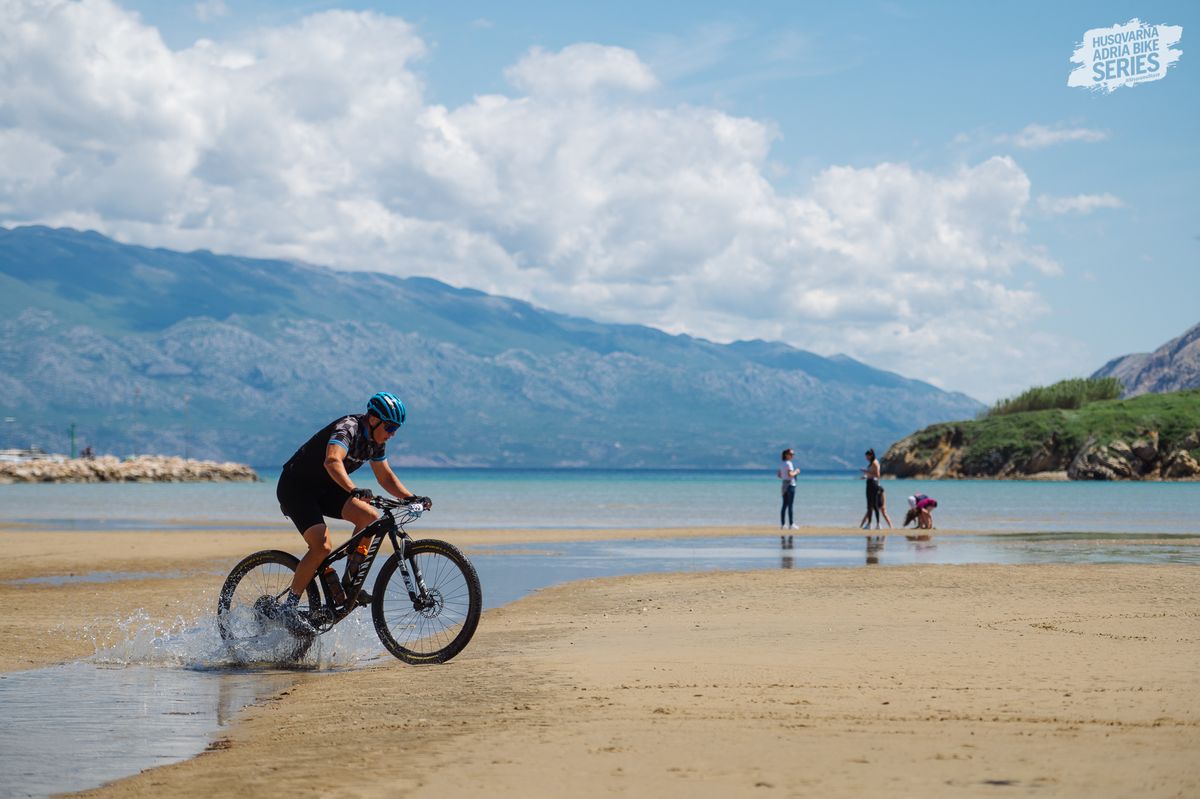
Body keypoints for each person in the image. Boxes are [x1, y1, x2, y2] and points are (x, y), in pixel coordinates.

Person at [275, 391, 431, 634]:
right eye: (389, 427)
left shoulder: (377, 442)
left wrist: (411, 497)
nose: (392, 433)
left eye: (396, 429)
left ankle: (349, 582)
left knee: (369, 517)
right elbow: (332, 461)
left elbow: (385, 476)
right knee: (321, 546)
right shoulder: (348, 428)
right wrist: (354, 489)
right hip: (297, 488)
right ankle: (288, 608)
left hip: (326, 489)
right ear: (374, 419)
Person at [777, 448, 800, 530]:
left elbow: (779, 475)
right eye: (791, 454)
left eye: (793, 454)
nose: (793, 456)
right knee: (790, 505)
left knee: (784, 505)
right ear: (787, 455)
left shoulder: (781, 463)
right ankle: (791, 524)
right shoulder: (789, 464)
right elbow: (790, 474)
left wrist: (785, 476)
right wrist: (796, 472)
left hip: (784, 484)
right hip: (790, 484)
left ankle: (783, 524)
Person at [858, 448, 882, 529]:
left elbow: (877, 475)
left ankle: (874, 524)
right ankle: (872, 524)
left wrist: (867, 472)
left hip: (873, 484)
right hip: (871, 483)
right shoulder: (872, 463)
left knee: (872, 505)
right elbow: (871, 474)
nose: (866, 458)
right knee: (871, 505)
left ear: (871, 455)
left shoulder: (875, 462)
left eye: (867, 456)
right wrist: (865, 476)